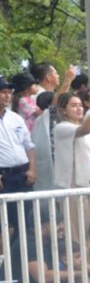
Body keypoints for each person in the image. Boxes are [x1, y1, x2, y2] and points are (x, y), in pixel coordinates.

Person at [0, 75, 38, 209]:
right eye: (3, 92)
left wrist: (32, 169)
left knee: (26, 214)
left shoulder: (16, 118)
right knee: (5, 217)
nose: (7, 96)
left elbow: (28, 145)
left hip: (23, 174)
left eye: (9, 92)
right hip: (3, 176)